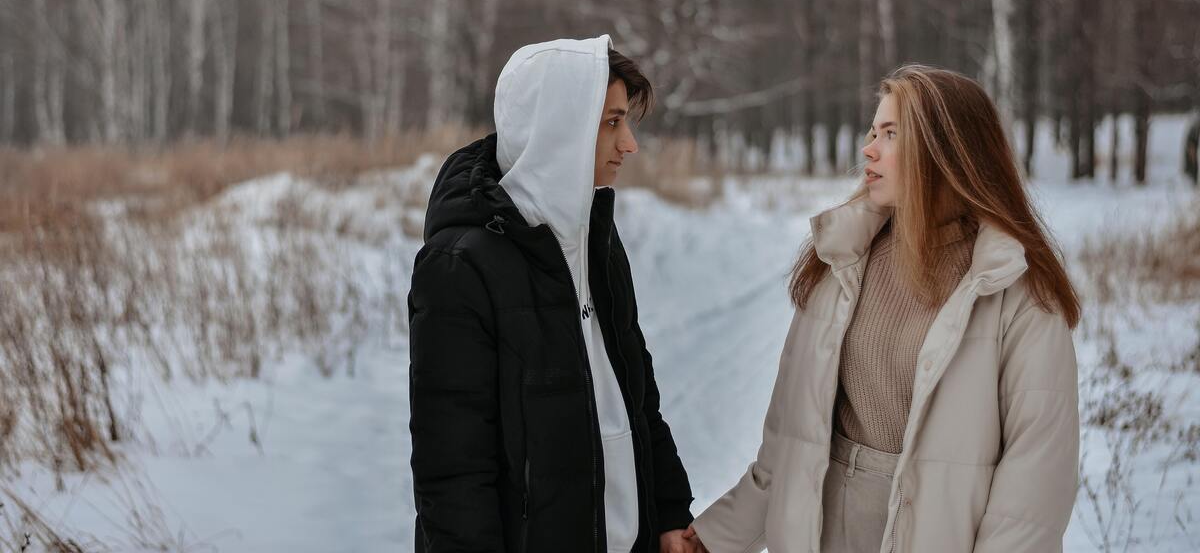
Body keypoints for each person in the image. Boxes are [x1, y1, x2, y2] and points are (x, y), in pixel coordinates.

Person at [684, 65, 1081, 553]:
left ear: (946, 151)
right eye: (873, 132)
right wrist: (714, 537)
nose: (868, 149)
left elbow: (1034, 488)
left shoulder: (1015, 287)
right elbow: (790, 443)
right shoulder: (841, 263)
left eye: (890, 134)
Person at [409, 35, 696, 553]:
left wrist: (670, 511)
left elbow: (637, 400)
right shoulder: (461, 265)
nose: (629, 143)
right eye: (611, 122)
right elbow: (451, 473)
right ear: (559, 131)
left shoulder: (596, 242)